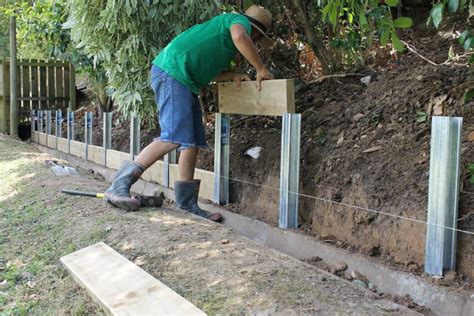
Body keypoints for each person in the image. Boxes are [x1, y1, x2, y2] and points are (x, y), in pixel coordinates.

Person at [105, 5, 274, 222]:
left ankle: (187, 203)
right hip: (173, 73)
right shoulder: (235, 22)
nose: (256, 43)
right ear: (256, 31)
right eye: (258, 39)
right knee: (173, 136)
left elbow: (211, 70)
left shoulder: (225, 41)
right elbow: (241, 35)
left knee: (191, 141)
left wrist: (233, 74)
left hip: (183, 79)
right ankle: (119, 185)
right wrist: (260, 68)